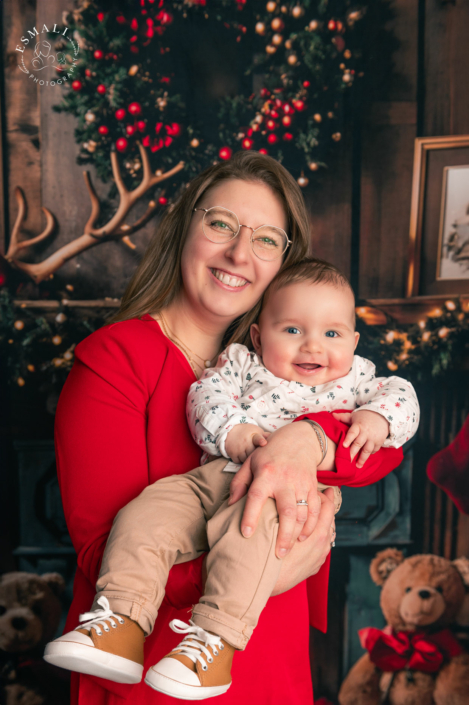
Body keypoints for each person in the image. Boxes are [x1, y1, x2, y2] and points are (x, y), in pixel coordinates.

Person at [51, 151, 409, 705]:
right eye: (221, 223)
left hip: (270, 654)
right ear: (184, 228)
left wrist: (306, 438)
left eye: (267, 239)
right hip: (151, 667)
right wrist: (268, 571)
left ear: (283, 264)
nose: (240, 253)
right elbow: (102, 550)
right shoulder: (117, 358)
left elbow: (378, 450)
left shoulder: (288, 360)